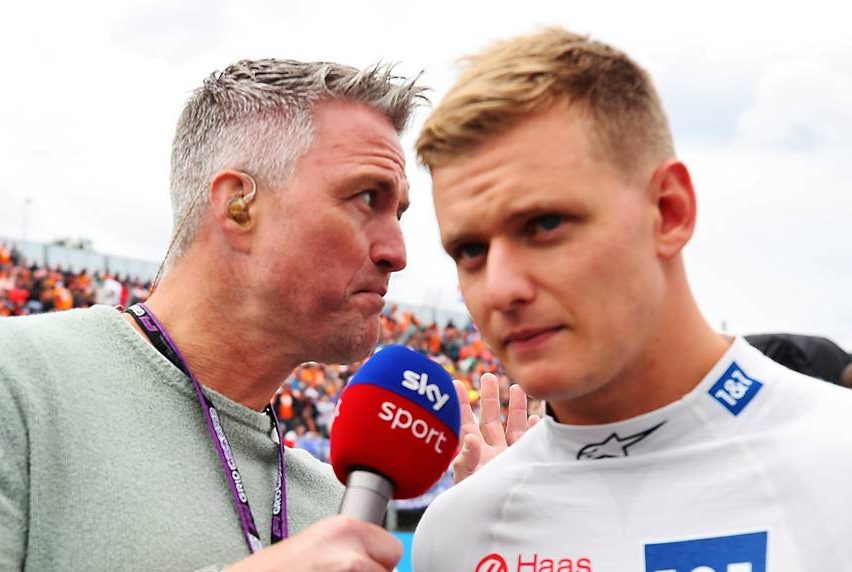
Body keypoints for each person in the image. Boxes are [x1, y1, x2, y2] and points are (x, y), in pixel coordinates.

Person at [412, 28, 852, 571]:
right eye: (470, 249)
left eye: (545, 225)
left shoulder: (839, 466)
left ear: (669, 211)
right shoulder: (458, 533)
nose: (500, 288)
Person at [0, 58, 422, 571]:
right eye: (365, 198)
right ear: (239, 205)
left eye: (397, 212)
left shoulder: (331, 506)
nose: (396, 252)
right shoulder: (18, 383)